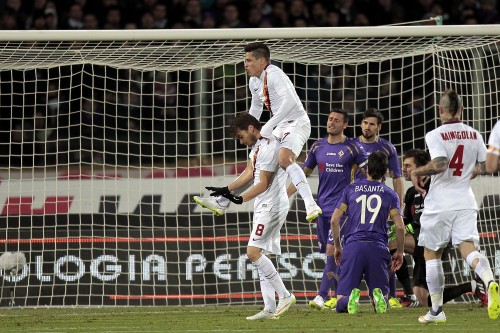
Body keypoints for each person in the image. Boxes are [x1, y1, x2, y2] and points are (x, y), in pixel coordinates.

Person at [193, 113, 295, 320]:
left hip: (272, 205)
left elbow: (262, 183)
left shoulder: (269, 147)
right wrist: (226, 191)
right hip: (264, 204)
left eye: (240, 137)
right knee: (261, 256)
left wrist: (237, 199)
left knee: (253, 252)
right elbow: (249, 173)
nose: (241, 142)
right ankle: (269, 307)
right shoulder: (256, 147)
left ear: (251, 128)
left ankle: (285, 295)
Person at [411, 89, 500, 324]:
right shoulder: (474, 133)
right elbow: (483, 165)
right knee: (468, 248)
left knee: (432, 254)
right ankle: (489, 280)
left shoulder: (435, 134)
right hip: (466, 201)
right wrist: (473, 171)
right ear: (462, 109)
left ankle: (437, 311)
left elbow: (440, 164)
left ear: (440, 110)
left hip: (440, 202)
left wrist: (417, 171)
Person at [287, 109, 368, 310]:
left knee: (333, 250)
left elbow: (370, 174)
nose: (331, 123)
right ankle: (343, 296)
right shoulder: (317, 146)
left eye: (336, 120)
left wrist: (361, 196)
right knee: (332, 254)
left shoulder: (353, 148)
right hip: (321, 208)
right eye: (330, 119)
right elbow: (302, 174)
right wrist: (284, 195)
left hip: (343, 208)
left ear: (345, 125)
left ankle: (321, 296)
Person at [389, 149, 487, 308]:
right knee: (424, 301)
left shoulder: (436, 185)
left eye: (408, 166)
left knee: (391, 243)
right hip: (419, 241)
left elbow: (419, 221)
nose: (404, 169)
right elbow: (407, 218)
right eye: (403, 165)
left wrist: (403, 230)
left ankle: (407, 293)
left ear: (422, 167)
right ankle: (471, 286)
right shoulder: (411, 192)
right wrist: (393, 224)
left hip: (436, 239)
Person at [243, 42, 322, 222]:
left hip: (296, 122)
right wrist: (247, 127)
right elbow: (256, 107)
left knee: (285, 159)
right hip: (279, 126)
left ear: (262, 61)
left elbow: (290, 103)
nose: (245, 64)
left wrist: (268, 126)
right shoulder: (253, 81)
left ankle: (310, 204)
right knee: (255, 161)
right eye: (245, 61)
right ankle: (222, 200)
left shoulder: (274, 74)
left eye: (249, 60)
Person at [331, 152, 405, 314]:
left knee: (340, 303)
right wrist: (400, 251)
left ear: (366, 169)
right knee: (382, 298)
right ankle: (380, 298)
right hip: (378, 248)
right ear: (385, 172)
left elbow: (334, 220)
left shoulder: (351, 189)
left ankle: (350, 298)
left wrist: (338, 247)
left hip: (353, 247)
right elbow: (400, 227)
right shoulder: (390, 194)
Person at [354, 107, 405, 308]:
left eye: (372, 124)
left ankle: (389, 295)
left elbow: (397, 177)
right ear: (361, 123)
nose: (368, 127)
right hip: (356, 206)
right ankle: (340, 294)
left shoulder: (387, 148)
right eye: (365, 123)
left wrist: (398, 205)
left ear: (379, 127)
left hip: (378, 206)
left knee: (384, 248)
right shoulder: (351, 146)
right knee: (348, 249)